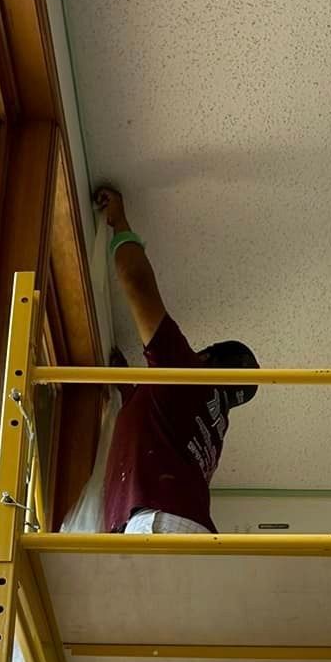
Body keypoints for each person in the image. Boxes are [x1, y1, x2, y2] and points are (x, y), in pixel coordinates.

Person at [93, 185, 258, 534]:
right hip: (186, 532)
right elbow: (155, 423)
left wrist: (119, 223)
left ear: (204, 356)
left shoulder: (190, 377)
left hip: (158, 525)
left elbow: (137, 284)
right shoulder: (210, 428)